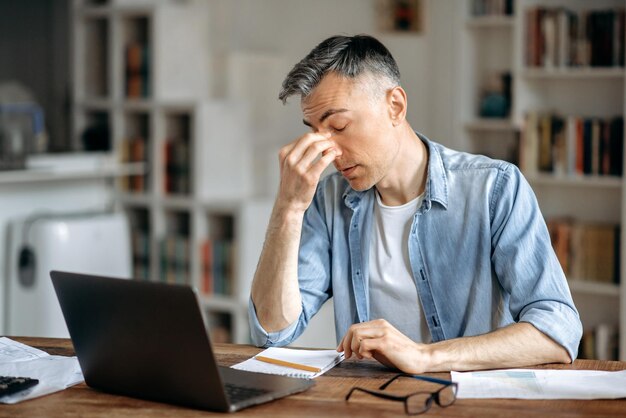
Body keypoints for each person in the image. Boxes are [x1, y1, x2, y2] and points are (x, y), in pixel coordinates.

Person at [249, 34, 582, 374]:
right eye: (316, 133)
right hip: (363, 402)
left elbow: (558, 330)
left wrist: (426, 356)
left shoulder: (494, 188)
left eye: (339, 126)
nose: (328, 151)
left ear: (395, 106)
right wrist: (287, 210)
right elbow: (273, 332)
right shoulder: (327, 200)